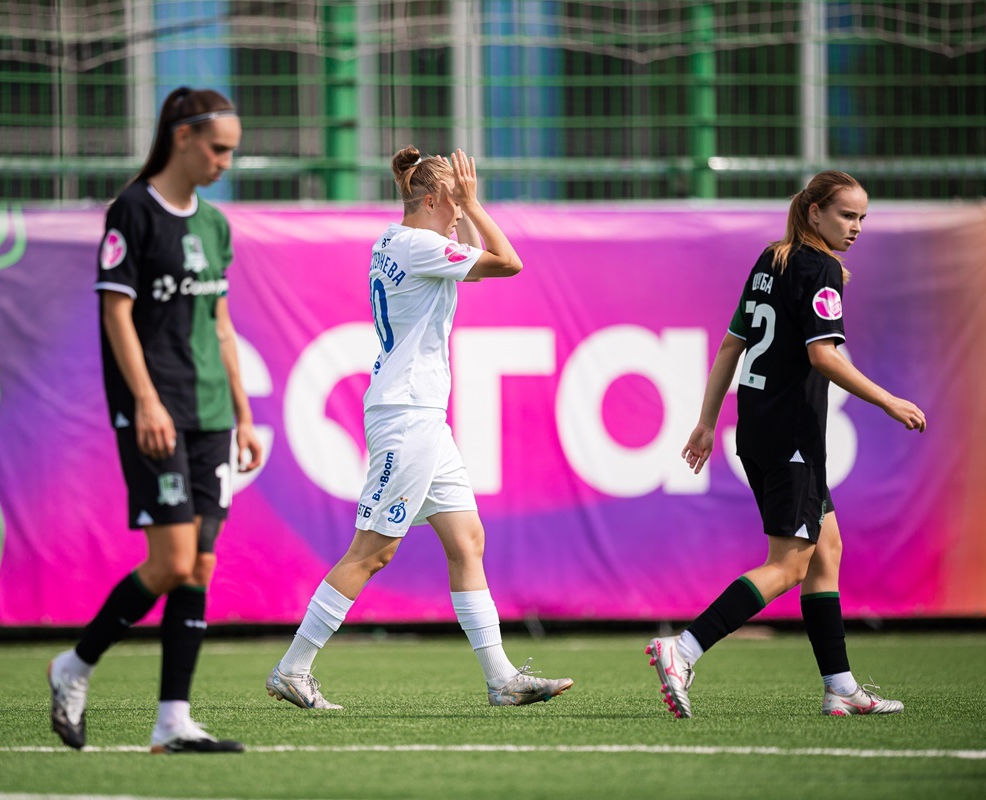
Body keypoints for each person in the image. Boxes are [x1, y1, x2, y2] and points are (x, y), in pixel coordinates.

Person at [264, 146, 573, 710]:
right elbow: (508, 262)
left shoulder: (393, 241)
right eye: (453, 204)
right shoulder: (420, 245)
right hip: (409, 415)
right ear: (431, 199)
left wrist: (464, 205)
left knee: (466, 539)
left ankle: (500, 678)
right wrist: (478, 207)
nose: (458, 215)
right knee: (373, 552)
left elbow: (476, 266)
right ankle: (293, 667)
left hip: (422, 413)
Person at [647, 170, 927, 718]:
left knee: (827, 551)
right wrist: (888, 400)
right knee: (791, 564)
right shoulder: (820, 268)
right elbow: (823, 356)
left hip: (759, 429)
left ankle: (840, 686)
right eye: (847, 215)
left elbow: (732, 343)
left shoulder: (771, 259)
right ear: (816, 211)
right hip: (792, 436)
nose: (857, 227)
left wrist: (708, 421)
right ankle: (682, 649)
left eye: (863, 217)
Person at [48, 86, 263, 753]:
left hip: (211, 416)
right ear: (182, 137)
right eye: (218, 148)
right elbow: (117, 312)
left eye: (232, 150)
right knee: (170, 561)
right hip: (156, 410)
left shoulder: (216, 225)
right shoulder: (133, 211)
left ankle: (173, 720)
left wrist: (245, 416)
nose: (226, 161)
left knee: (199, 565)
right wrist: (143, 400)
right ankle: (73, 666)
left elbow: (221, 325)